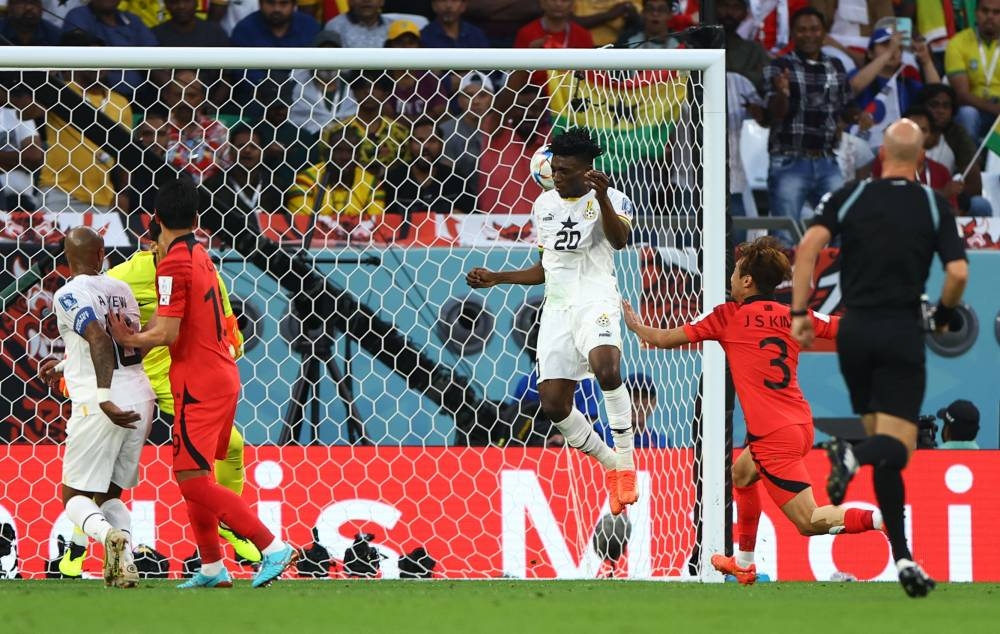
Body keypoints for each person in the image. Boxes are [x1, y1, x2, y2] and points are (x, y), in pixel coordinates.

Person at [623, 236, 884, 585]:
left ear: (747, 281)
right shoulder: (795, 315)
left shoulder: (728, 316)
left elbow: (663, 339)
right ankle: (744, 564)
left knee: (808, 521)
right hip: (799, 425)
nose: (731, 278)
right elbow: (843, 328)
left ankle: (881, 519)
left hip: (772, 437)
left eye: (735, 272)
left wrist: (636, 326)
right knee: (742, 475)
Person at [791, 119, 969, 598]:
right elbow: (957, 272)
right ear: (921, 158)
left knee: (885, 448)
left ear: (882, 155)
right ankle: (851, 454)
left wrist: (799, 313)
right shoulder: (931, 203)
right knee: (898, 447)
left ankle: (904, 558)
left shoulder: (850, 195)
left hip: (854, 333)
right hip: (900, 332)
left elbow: (807, 248)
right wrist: (944, 315)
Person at [108, 177, 298, 589]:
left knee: (192, 479)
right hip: (217, 373)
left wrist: (127, 339)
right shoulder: (199, 253)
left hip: (198, 382)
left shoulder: (171, 265)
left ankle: (273, 547)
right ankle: (212, 567)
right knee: (197, 477)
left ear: (154, 218)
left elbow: (167, 333)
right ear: (196, 219)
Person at [55, 221, 261, 577]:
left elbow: (227, 324)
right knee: (102, 476)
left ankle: (227, 523)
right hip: (140, 374)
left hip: (179, 376)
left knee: (232, 446)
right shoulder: (124, 277)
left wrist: (228, 345)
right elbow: (97, 329)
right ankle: (78, 542)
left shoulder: (202, 269)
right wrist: (69, 368)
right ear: (150, 243)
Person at [466, 127, 639, 515]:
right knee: (554, 403)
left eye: (564, 171)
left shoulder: (614, 199)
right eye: (555, 168)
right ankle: (611, 464)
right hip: (558, 308)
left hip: (596, 299)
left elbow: (620, 241)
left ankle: (627, 465)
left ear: (587, 171)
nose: (555, 176)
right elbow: (545, 268)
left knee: (607, 369)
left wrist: (601, 199)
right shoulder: (544, 204)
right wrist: (497, 277)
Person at [41, 226, 156, 588]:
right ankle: (125, 565)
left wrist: (104, 396)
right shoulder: (122, 290)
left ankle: (109, 537)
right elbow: (129, 346)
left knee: (74, 498)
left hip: (101, 403)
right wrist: (64, 366)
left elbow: (100, 339)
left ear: (66, 258)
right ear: (102, 254)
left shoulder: (69, 293)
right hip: (141, 396)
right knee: (110, 495)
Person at [764, 7, 851, 227]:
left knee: (841, 229)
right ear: (792, 33)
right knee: (784, 234)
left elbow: (847, 106)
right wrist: (783, 94)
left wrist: (860, 116)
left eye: (814, 29)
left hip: (827, 159)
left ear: (824, 33)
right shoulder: (779, 66)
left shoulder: (836, 65)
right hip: (789, 161)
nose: (809, 35)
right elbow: (774, 115)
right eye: (802, 30)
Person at [945, 0, 1000, 141]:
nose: (990, 16)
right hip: (975, 109)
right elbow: (962, 95)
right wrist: (995, 109)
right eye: (985, 11)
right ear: (976, 13)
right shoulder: (957, 43)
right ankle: (970, 155)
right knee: (967, 114)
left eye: (996, 12)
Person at [594, 373, 665, 449]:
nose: (638, 404)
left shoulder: (660, 443)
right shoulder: (600, 433)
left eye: (644, 397)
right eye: (632, 396)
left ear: (653, 403)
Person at [420, 0, 490, 48]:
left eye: (454, 0)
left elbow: (486, 63)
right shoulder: (423, 37)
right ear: (433, 5)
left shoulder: (476, 35)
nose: (448, 5)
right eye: (442, 0)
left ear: (463, 5)